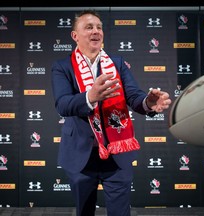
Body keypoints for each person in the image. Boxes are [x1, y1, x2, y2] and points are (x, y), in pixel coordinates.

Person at [51, 9, 171, 216]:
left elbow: (134, 97)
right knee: (84, 211)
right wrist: (90, 96)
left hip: (117, 155)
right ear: (75, 35)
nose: (95, 31)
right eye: (88, 27)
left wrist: (149, 102)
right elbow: (63, 104)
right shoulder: (62, 67)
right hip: (81, 155)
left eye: (99, 27)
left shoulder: (117, 63)